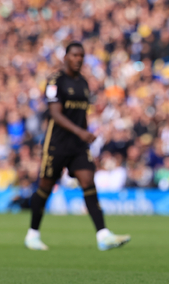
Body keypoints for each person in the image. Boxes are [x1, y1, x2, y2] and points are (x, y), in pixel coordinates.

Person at [24, 42, 131, 251]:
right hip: (56, 144)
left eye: (81, 55)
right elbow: (55, 113)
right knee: (45, 188)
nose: (78, 59)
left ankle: (103, 235)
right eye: (74, 55)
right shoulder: (56, 81)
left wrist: (85, 136)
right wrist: (81, 132)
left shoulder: (83, 83)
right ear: (66, 57)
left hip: (78, 146)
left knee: (88, 182)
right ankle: (32, 234)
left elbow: (81, 115)